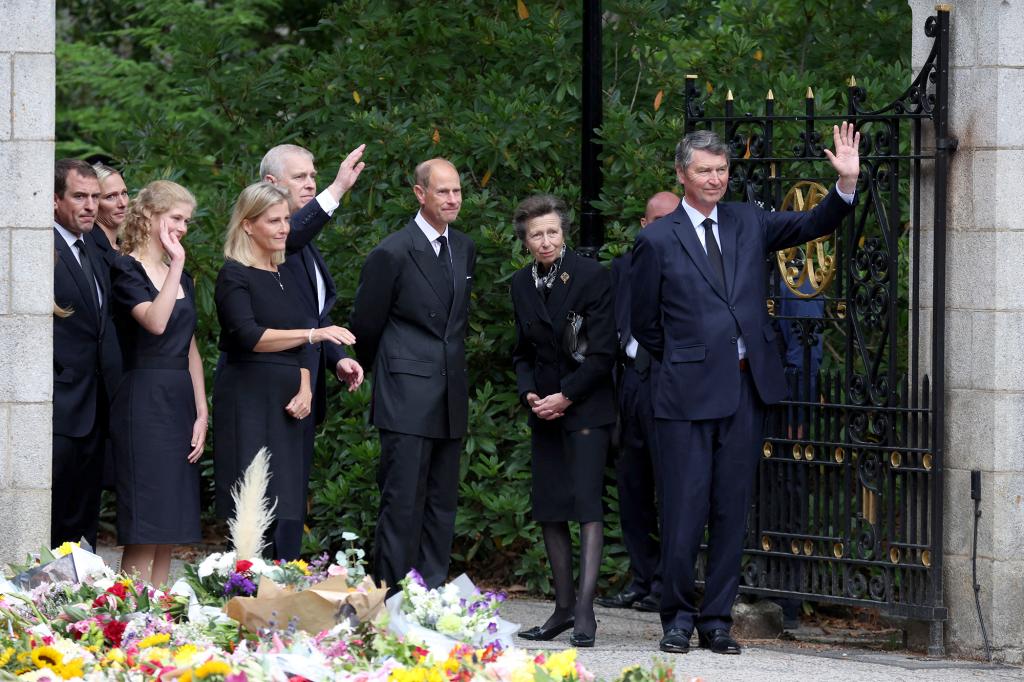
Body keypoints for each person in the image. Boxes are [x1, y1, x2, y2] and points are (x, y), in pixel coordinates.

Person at [631, 124, 860, 655]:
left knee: (732, 509)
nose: (715, 179)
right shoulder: (656, 239)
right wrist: (693, 357)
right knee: (685, 510)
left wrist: (845, 184)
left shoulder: (747, 220)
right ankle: (678, 618)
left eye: (722, 170)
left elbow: (812, 222)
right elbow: (645, 323)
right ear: (682, 175)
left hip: (744, 390)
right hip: (685, 395)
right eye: (704, 171)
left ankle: (716, 621)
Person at [350, 158, 476, 593]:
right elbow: (366, 324)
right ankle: (390, 593)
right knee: (402, 503)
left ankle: (431, 595)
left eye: (457, 191)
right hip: (405, 393)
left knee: (442, 503)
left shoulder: (464, 247)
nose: (453, 199)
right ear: (420, 194)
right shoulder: (392, 252)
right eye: (443, 191)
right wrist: (370, 372)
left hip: (449, 393)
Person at [213, 182, 355, 560]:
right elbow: (249, 335)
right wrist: (315, 333)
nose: (284, 228)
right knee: (251, 502)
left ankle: (283, 594)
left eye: (286, 220)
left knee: (288, 502)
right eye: (273, 221)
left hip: (290, 402)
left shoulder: (285, 272)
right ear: (247, 225)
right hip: (250, 398)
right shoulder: (234, 274)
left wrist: (306, 385)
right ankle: (243, 593)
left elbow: (300, 338)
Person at [510, 195, 616, 648]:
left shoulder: (593, 276)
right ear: (526, 241)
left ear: (564, 233)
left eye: (552, 231)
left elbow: (604, 352)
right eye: (537, 234)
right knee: (551, 508)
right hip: (544, 412)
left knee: (587, 507)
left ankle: (586, 612)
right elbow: (521, 352)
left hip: (586, 407)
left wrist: (566, 396)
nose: (546, 240)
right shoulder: (520, 284)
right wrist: (529, 391)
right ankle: (563, 608)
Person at [260, 143, 367, 548]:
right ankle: (263, 592)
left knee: (291, 499)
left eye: (314, 175)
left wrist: (336, 358)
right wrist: (337, 190)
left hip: (305, 384)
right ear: (271, 184)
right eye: (300, 177)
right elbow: (294, 235)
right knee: (272, 500)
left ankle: (284, 590)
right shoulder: (270, 238)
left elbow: (314, 314)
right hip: (275, 386)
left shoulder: (304, 241)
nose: (311, 183)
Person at [108, 180, 205, 585]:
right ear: (149, 216)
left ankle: (160, 615)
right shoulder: (125, 267)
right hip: (144, 399)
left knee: (170, 523)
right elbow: (156, 322)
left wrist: (202, 411)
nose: (182, 228)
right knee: (146, 521)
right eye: (176, 218)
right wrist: (177, 265)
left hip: (180, 400)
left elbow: (190, 346)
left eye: (186, 221)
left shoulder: (176, 272)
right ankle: (129, 612)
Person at [596, 191, 678, 614]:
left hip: (669, 384)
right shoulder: (623, 268)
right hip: (629, 383)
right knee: (632, 487)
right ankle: (641, 577)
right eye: (657, 221)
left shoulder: (691, 264)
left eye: (673, 219)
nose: (664, 227)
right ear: (644, 226)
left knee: (672, 485)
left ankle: (668, 582)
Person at [52, 159, 111, 548]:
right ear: (55, 200)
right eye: (79, 196)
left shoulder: (92, 245)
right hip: (57, 405)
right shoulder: (39, 245)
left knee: (84, 517)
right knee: (54, 516)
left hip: (95, 403)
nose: (90, 206)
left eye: (94, 197)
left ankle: (80, 599)